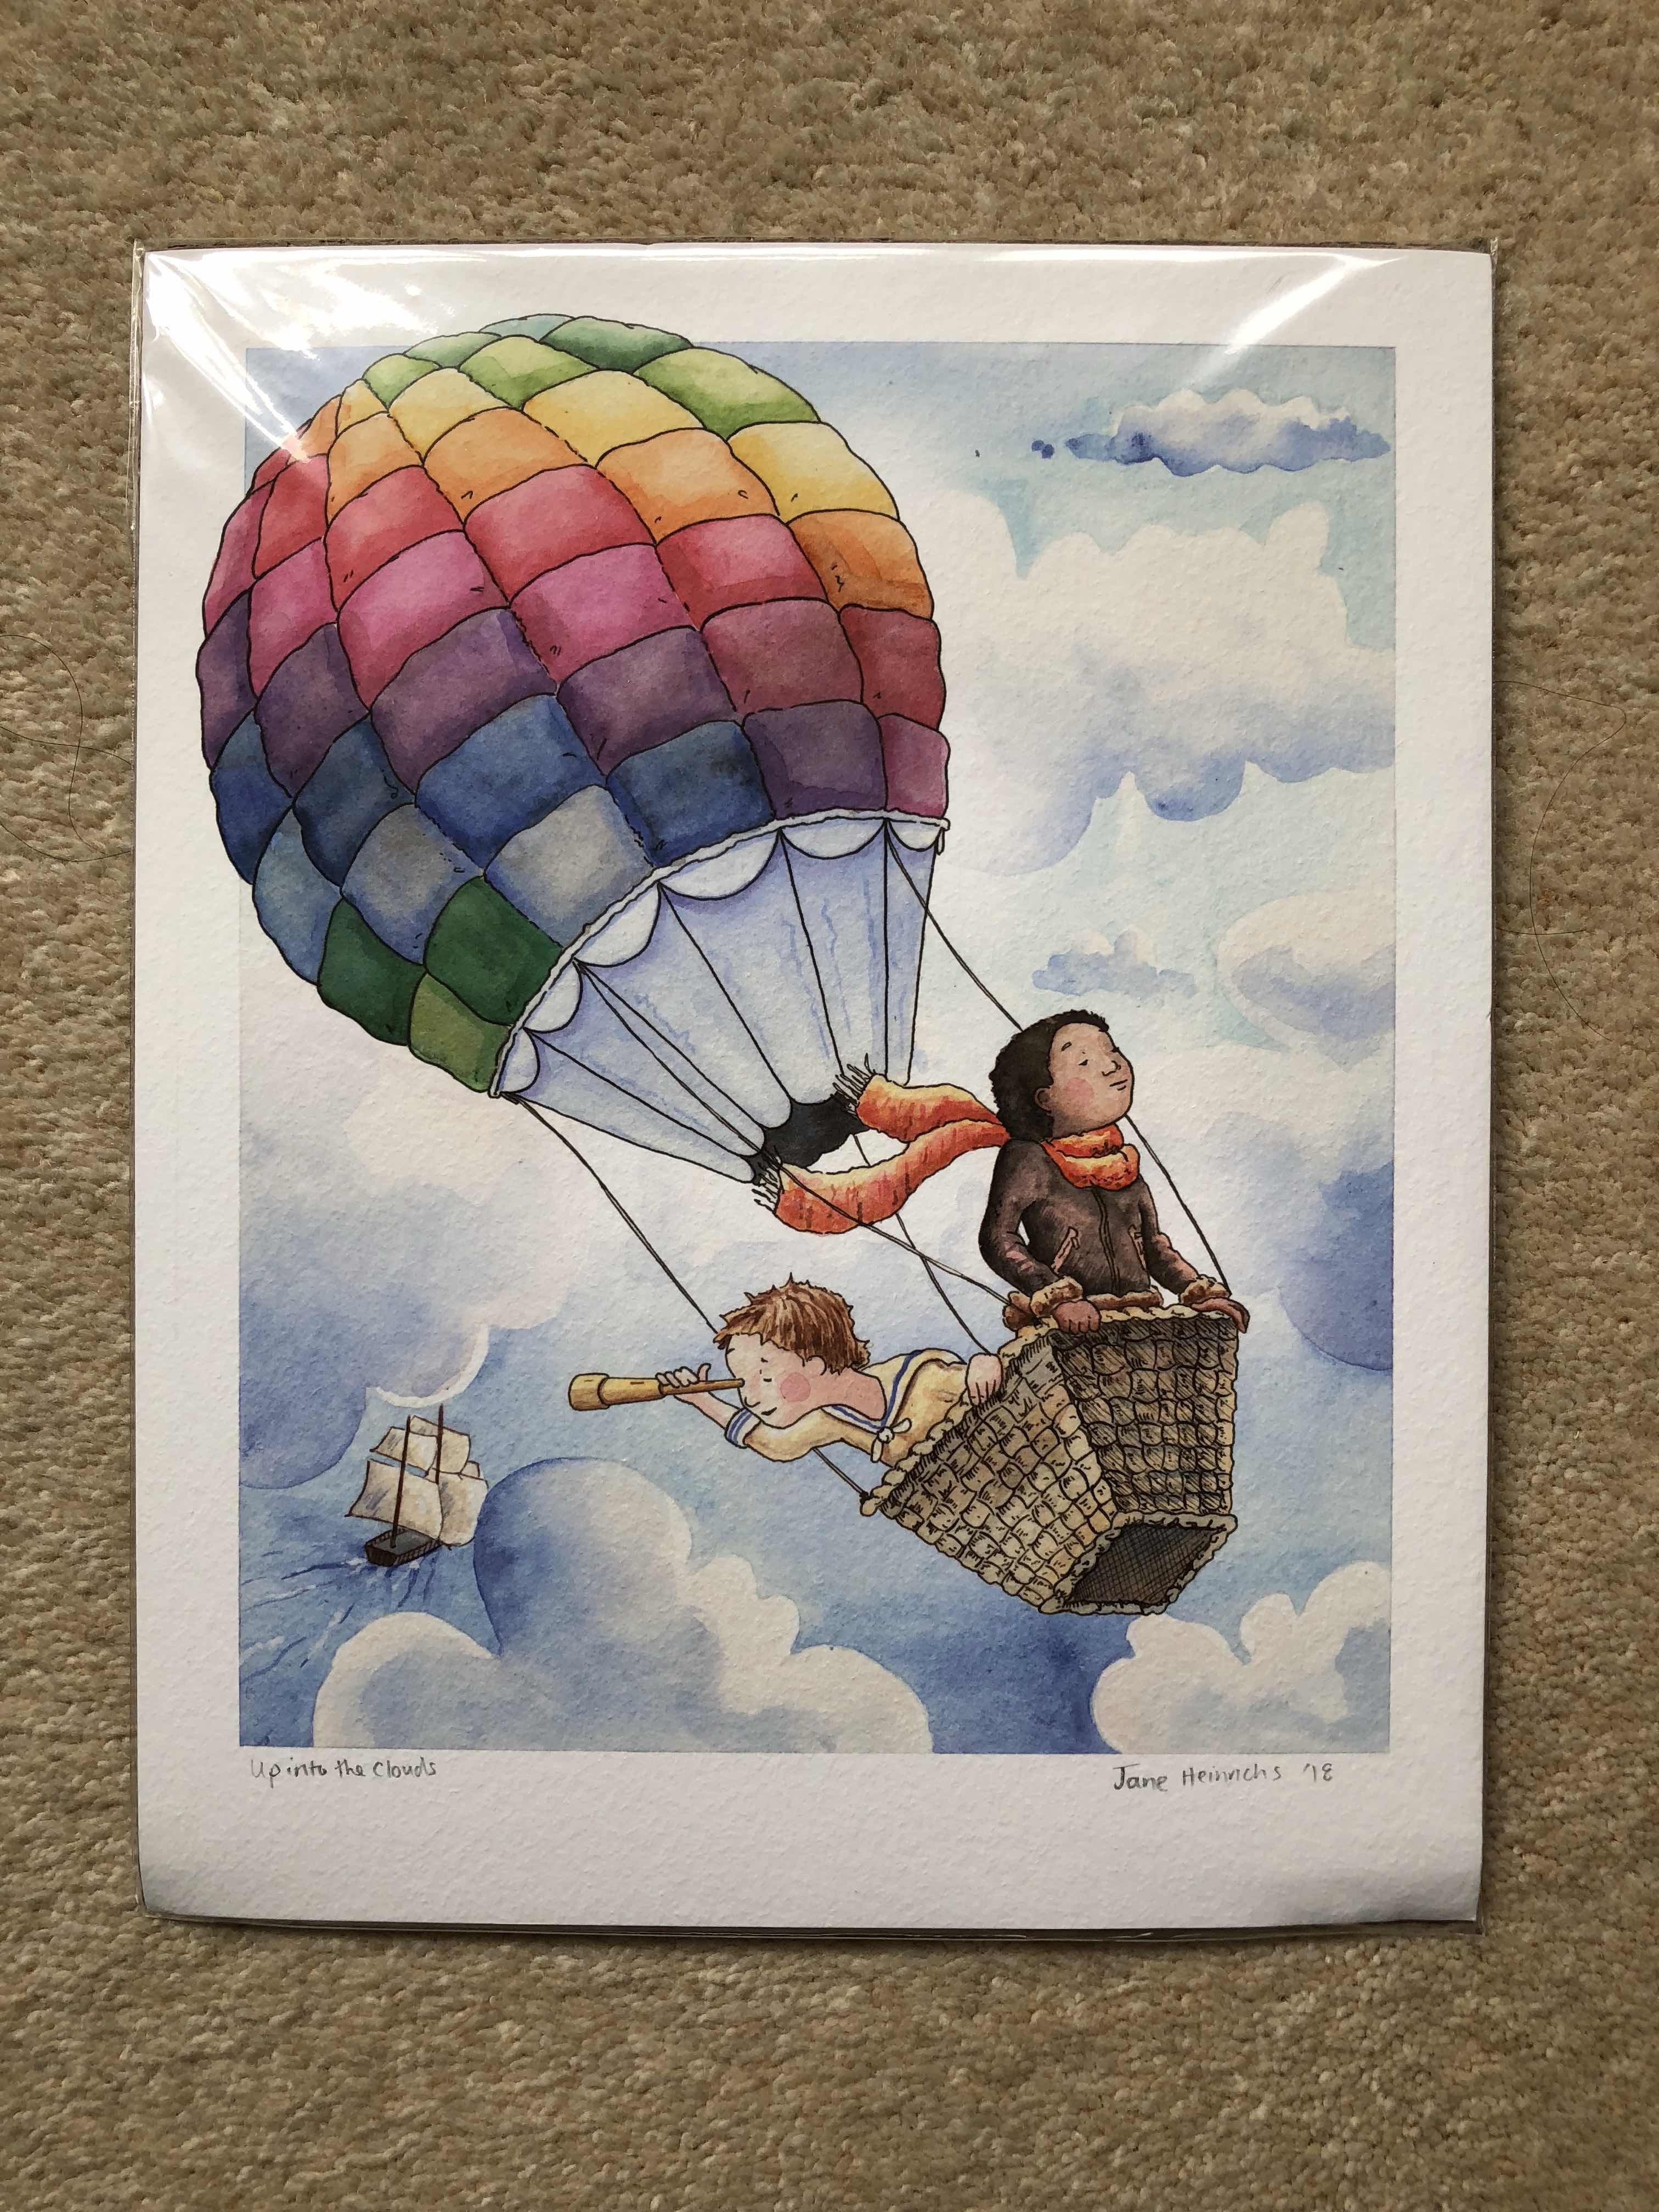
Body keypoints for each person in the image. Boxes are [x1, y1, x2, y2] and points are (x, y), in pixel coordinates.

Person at [978, 1009, 1249, 1334]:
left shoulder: (1121, 1161)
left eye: (1112, 1050)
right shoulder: (1029, 1157)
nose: (1112, 1065)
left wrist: (1196, 1292)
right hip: (1069, 1325)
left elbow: (1153, 1247)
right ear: (1045, 1098)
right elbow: (999, 1239)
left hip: (1142, 1319)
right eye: (1084, 1062)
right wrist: (1054, 1295)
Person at [658, 1278, 1003, 1467]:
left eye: (765, 1377)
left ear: (816, 1362)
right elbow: (775, 1444)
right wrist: (703, 1400)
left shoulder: (921, 1379)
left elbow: (976, 1374)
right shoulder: (832, 1420)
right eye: (743, 1382)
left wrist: (983, 1366)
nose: (749, 1397)